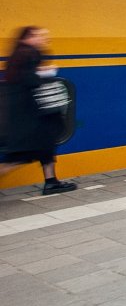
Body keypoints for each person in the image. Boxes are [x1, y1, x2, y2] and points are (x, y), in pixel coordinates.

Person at [0, 27, 78, 195]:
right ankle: (51, 182)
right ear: (27, 38)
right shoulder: (28, 54)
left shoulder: (20, 54)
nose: (44, 39)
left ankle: (51, 182)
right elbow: (29, 81)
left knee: (46, 146)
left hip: (31, 115)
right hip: (31, 115)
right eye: (40, 36)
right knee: (18, 158)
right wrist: (45, 73)